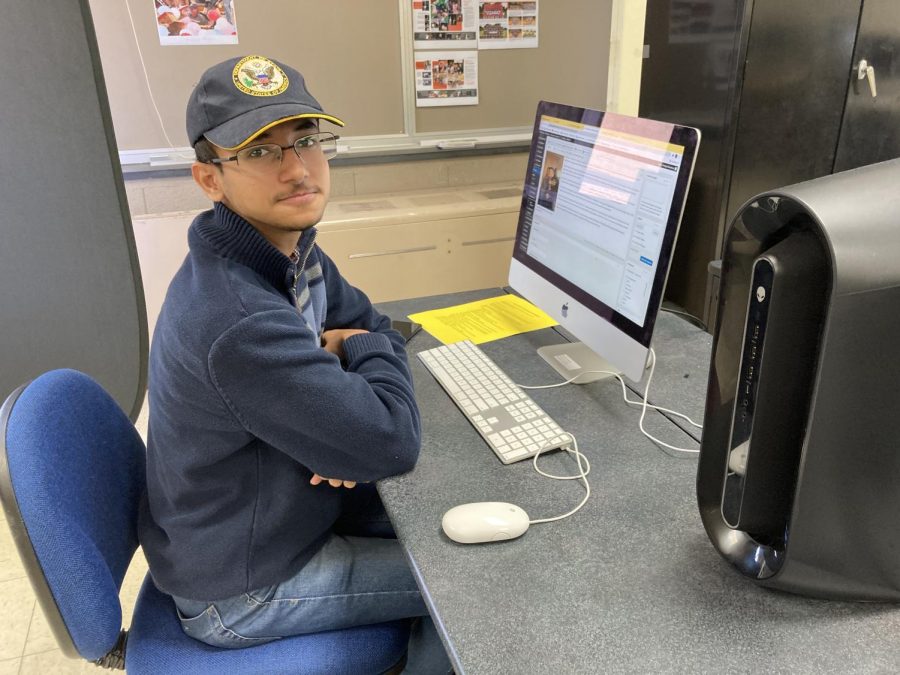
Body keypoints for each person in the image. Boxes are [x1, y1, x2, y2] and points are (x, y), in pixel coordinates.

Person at [137, 55, 451, 673]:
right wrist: (349, 369)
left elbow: (372, 322)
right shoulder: (237, 317)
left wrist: (340, 385)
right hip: (245, 590)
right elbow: (389, 442)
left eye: (307, 140)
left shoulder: (288, 249)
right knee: (470, 579)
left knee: (446, 514)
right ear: (210, 179)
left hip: (271, 524)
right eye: (260, 152)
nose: (297, 167)